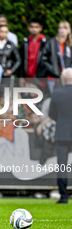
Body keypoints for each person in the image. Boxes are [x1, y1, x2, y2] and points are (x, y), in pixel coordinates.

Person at [49, 68, 72, 204]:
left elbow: (52, 114)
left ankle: (63, 196)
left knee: (62, 166)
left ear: (63, 78)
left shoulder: (57, 93)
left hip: (62, 133)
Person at [42, 21, 72, 92]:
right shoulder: (51, 42)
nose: (62, 30)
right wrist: (53, 70)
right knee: (55, 98)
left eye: (65, 28)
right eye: (60, 28)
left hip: (67, 78)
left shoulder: (70, 44)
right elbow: (44, 59)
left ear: (69, 30)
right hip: (53, 78)